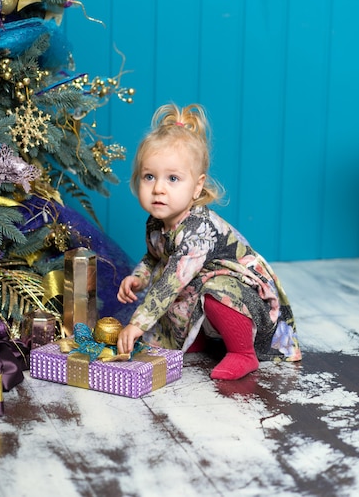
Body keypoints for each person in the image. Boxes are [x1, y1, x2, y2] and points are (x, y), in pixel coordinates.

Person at [116, 103, 301, 380]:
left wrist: (136, 324)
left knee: (212, 289)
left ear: (197, 186)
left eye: (173, 178)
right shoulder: (156, 222)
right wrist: (139, 277)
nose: (158, 188)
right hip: (201, 283)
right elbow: (154, 256)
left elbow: (170, 284)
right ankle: (197, 338)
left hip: (249, 301)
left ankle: (243, 353)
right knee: (185, 284)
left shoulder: (198, 229)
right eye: (149, 176)